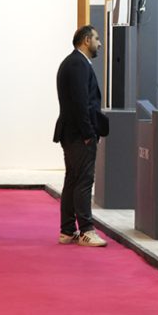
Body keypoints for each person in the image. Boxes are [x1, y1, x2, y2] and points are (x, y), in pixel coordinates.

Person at [53, 25, 109, 247]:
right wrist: (88, 134)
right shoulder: (78, 64)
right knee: (84, 181)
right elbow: (80, 103)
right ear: (86, 40)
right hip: (79, 135)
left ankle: (68, 230)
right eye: (97, 38)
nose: (99, 43)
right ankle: (86, 230)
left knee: (73, 180)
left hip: (72, 133)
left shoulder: (73, 62)